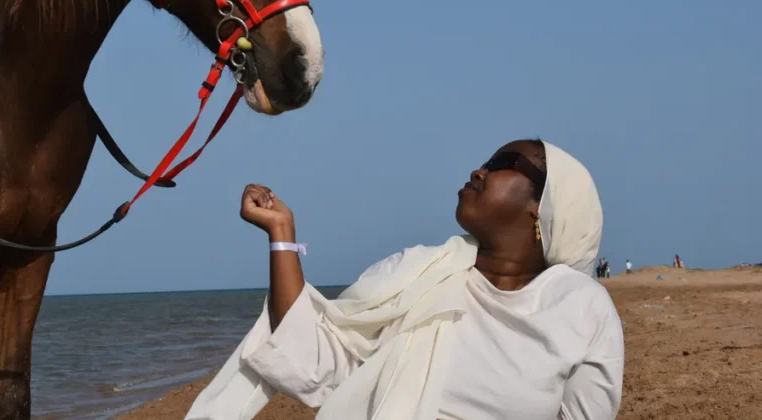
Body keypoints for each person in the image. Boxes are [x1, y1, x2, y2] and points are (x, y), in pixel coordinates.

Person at [186, 140, 624, 420]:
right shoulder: (416, 274)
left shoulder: (581, 307)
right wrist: (282, 233)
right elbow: (315, 357)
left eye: (504, 163)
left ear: (544, 207)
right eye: (486, 161)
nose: (479, 171)